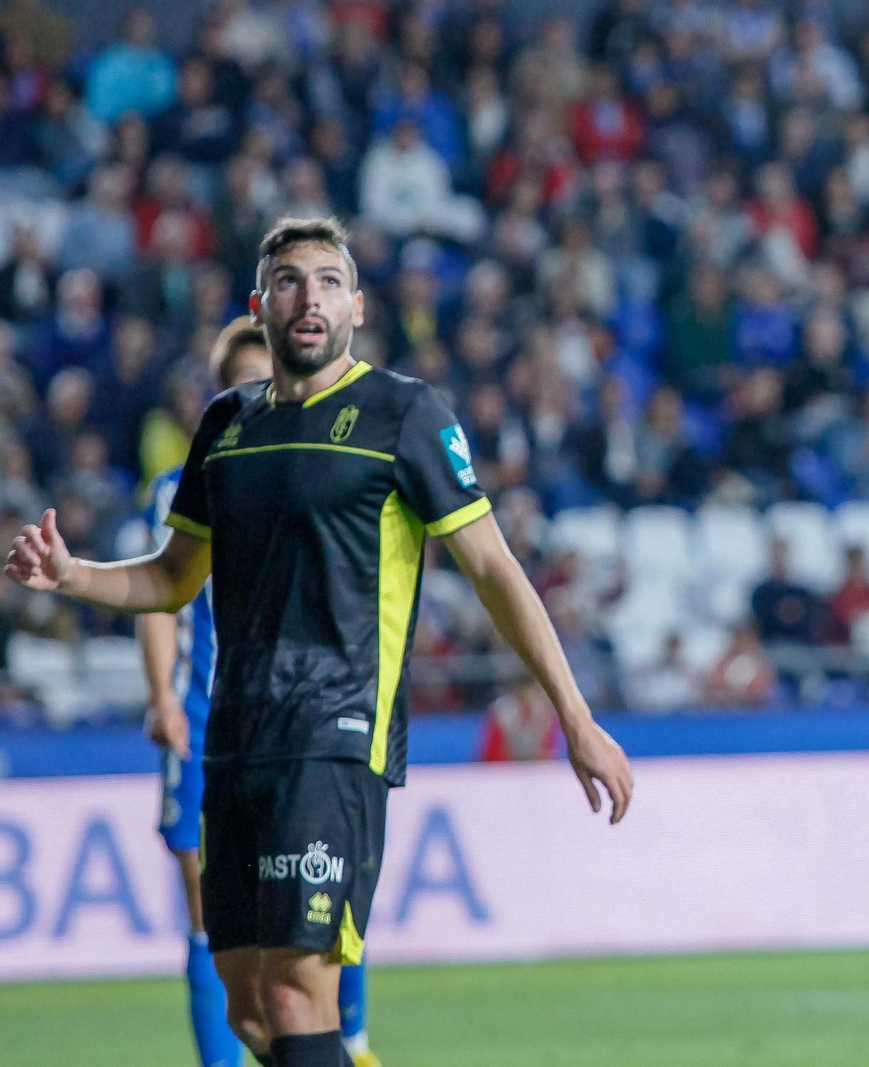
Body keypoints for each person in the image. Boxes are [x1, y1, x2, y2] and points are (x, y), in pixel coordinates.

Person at [6, 217, 633, 1067]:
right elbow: (172, 576)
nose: (312, 297)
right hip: (236, 739)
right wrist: (72, 574)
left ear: (359, 308)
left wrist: (576, 715)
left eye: (330, 281)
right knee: (251, 1007)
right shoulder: (227, 423)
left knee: (302, 988)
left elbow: (494, 569)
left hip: (336, 737)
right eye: (292, 281)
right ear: (259, 307)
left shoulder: (403, 414)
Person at [138, 316, 384, 1067]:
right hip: (211, 713)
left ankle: (354, 1042)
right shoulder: (186, 484)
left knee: (318, 903)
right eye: (247, 378)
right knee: (212, 916)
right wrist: (163, 696)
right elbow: (160, 593)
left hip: (309, 714)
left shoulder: (323, 466)